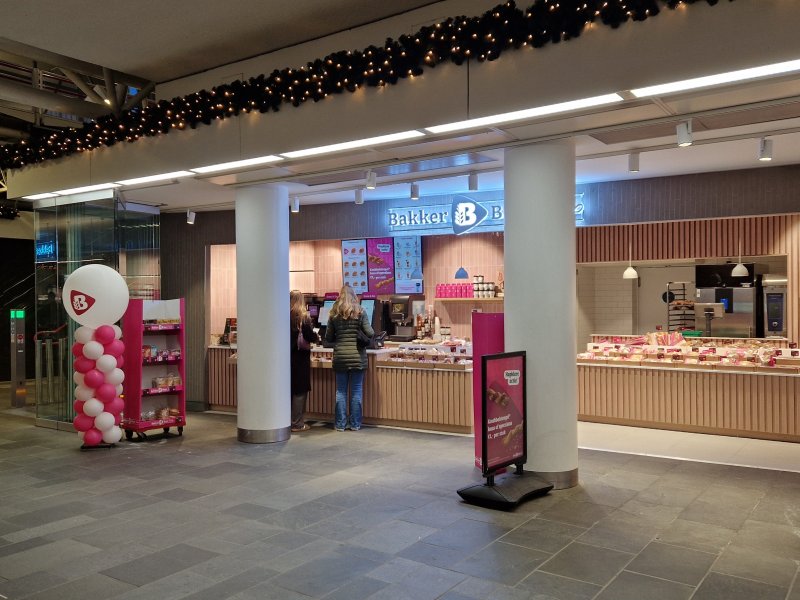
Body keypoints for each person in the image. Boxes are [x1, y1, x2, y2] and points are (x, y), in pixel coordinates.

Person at [325, 284, 373, 431]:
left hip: (340, 357)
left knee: (341, 391)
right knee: (356, 391)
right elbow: (370, 333)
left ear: (340, 296)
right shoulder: (360, 311)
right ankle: (355, 424)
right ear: (354, 296)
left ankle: (340, 424)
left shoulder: (334, 313)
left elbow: (328, 337)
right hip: (357, 357)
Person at [290, 290, 319, 432]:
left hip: (286, 357)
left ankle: (287, 421)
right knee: (300, 391)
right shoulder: (303, 316)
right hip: (300, 357)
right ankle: (297, 423)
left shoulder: (283, 314)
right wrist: (317, 337)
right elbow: (308, 335)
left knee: (289, 389)